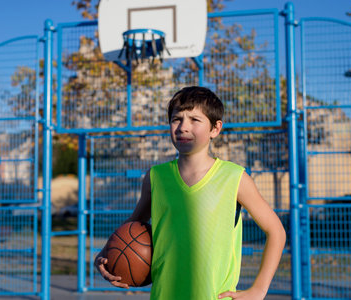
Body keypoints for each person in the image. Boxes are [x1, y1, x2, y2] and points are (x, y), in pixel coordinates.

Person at [95, 86, 286, 300]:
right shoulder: (156, 177)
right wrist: (105, 254)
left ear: (215, 129)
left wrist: (259, 290)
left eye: (195, 120)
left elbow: (276, 231)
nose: (183, 127)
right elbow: (133, 225)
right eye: (177, 119)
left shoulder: (234, 177)